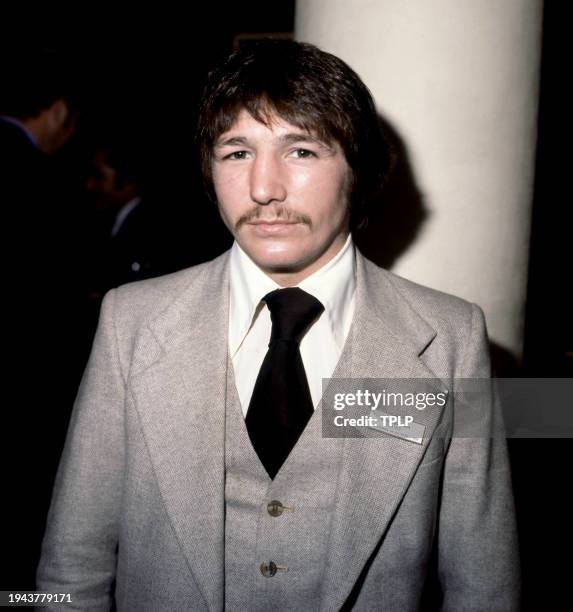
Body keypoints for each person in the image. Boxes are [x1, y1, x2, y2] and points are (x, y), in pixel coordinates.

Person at [37, 40, 519, 610]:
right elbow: (69, 572)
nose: (264, 189)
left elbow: (483, 582)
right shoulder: (130, 321)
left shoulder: (453, 337)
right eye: (237, 152)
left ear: (358, 170)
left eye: (302, 151)